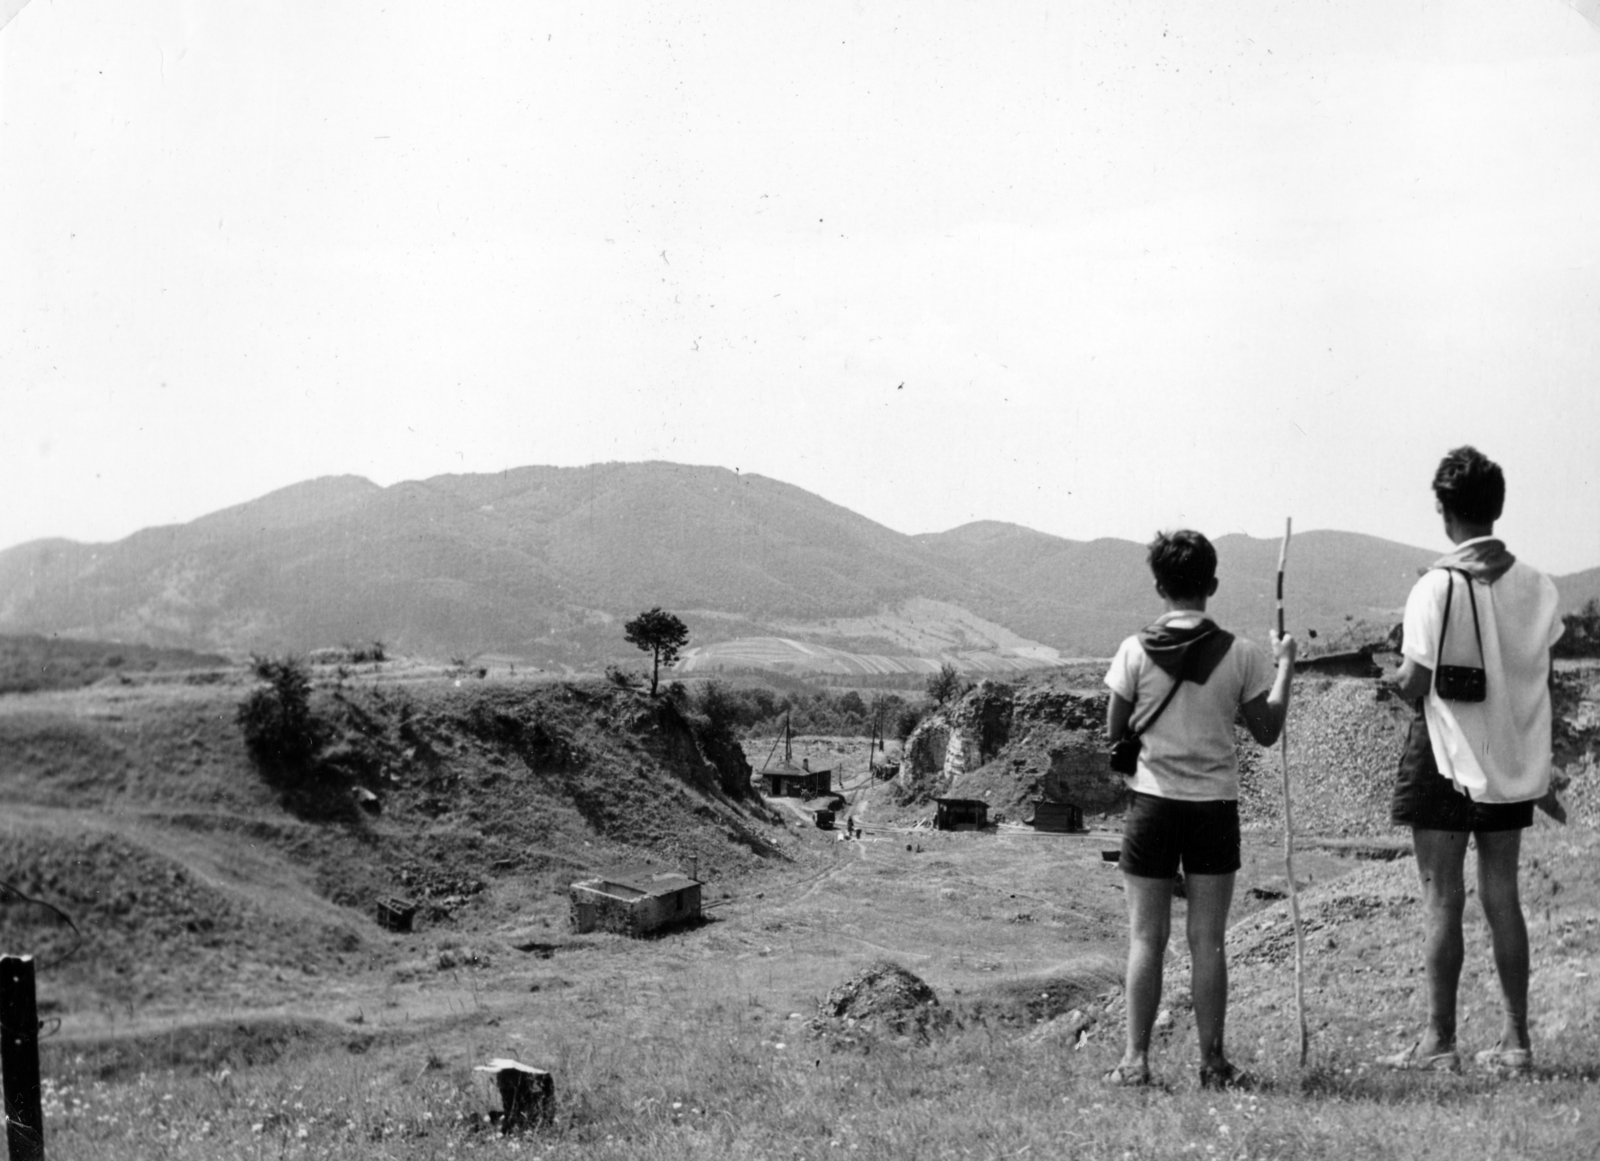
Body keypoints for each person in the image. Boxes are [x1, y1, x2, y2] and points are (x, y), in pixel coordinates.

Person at [1379, 446, 1564, 1076]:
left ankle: (1440, 1040)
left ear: (1443, 510)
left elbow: (1414, 680)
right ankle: (1516, 1042)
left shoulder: (1436, 586)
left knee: (1441, 900)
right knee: (1503, 896)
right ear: (1498, 506)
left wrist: (1392, 677)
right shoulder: (1538, 585)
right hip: (1509, 754)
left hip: (1444, 753)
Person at [1101, 530, 1296, 1089]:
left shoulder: (1133, 651)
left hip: (1152, 806)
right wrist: (1284, 666)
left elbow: (1115, 732)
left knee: (1146, 937)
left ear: (1159, 585)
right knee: (1208, 939)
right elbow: (1266, 730)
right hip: (1213, 808)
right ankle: (1212, 1063)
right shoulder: (1240, 654)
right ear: (1211, 584)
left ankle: (1135, 1062)